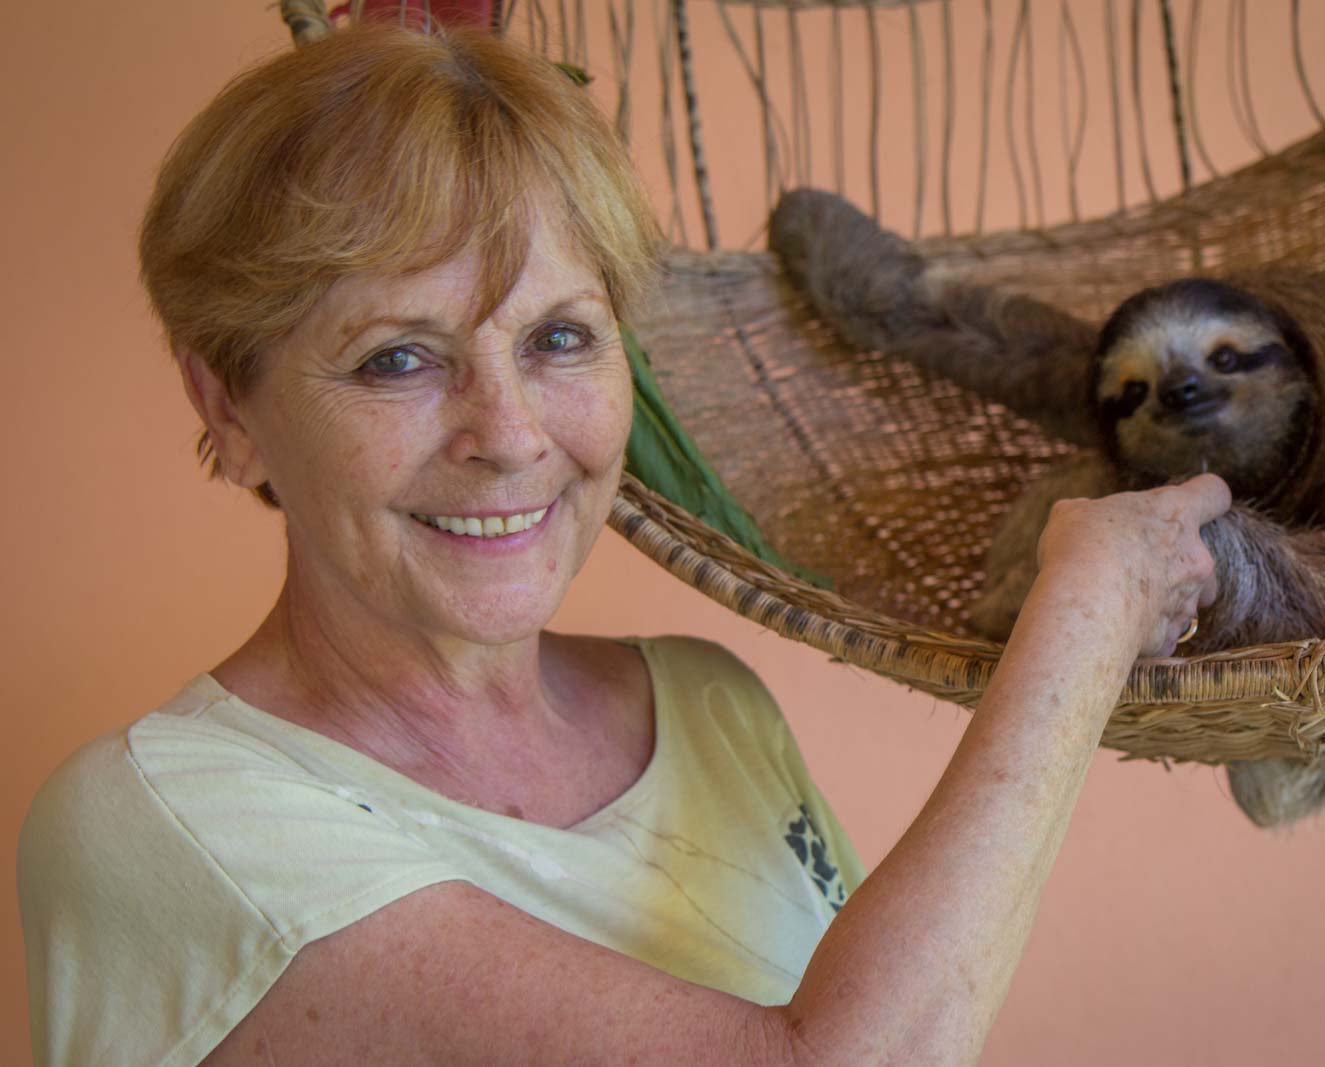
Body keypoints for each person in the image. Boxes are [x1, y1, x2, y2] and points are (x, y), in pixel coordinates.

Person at [17, 23, 1226, 1067]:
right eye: (400, 357)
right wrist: (1085, 614)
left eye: (557, 338)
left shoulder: (707, 704)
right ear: (229, 408)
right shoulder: (162, 816)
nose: (509, 434)